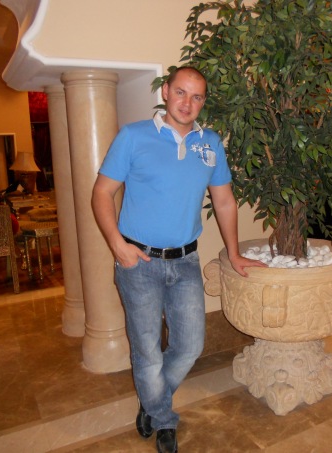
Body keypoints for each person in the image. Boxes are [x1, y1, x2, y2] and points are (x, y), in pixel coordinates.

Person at [91, 66, 266, 453]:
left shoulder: (211, 143)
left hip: (186, 261)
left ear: (203, 102)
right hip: (139, 262)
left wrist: (234, 253)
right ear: (166, 92)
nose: (188, 103)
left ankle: (151, 402)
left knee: (190, 345)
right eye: (182, 92)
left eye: (197, 96)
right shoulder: (133, 136)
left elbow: (224, 201)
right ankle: (165, 419)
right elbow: (101, 192)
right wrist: (118, 245)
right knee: (147, 349)